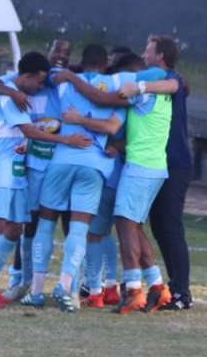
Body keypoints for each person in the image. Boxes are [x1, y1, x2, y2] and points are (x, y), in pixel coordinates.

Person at [58, 51, 180, 314]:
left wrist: (71, 81)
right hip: (152, 167)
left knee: (125, 227)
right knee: (134, 227)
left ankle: (134, 290)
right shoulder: (162, 94)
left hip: (139, 168)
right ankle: (157, 286)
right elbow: (171, 83)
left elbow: (100, 98)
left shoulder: (142, 94)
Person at [0, 52, 90, 308]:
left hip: (17, 171)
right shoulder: (9, 95)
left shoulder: (24, 89)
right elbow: (28, 131)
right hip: (0, 170)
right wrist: (67, 140)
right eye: (38, 82)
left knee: (16, 226)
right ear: (26, 76)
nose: (40, 87)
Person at [21, 45, 122, 312]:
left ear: (82, 62)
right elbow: (112, 127)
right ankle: (66, 288)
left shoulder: (62, 81)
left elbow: (47, 75)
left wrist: (70, 80)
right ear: (106, 64)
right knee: (79, 229)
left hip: (61, 160)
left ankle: (35, 292)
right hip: (93, 164)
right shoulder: (117, 86)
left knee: (45, 224)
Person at [144, 35, 195, 311]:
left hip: (174, 164)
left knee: (171, 227)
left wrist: (137, 87)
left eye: (148, 50)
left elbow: (178, 85)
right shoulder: (167, 80)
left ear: (160, 55)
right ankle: (175, 287)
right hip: (158, 162)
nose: (144, 54)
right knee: (160, 226)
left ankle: (181, 293)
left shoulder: (171, 81)